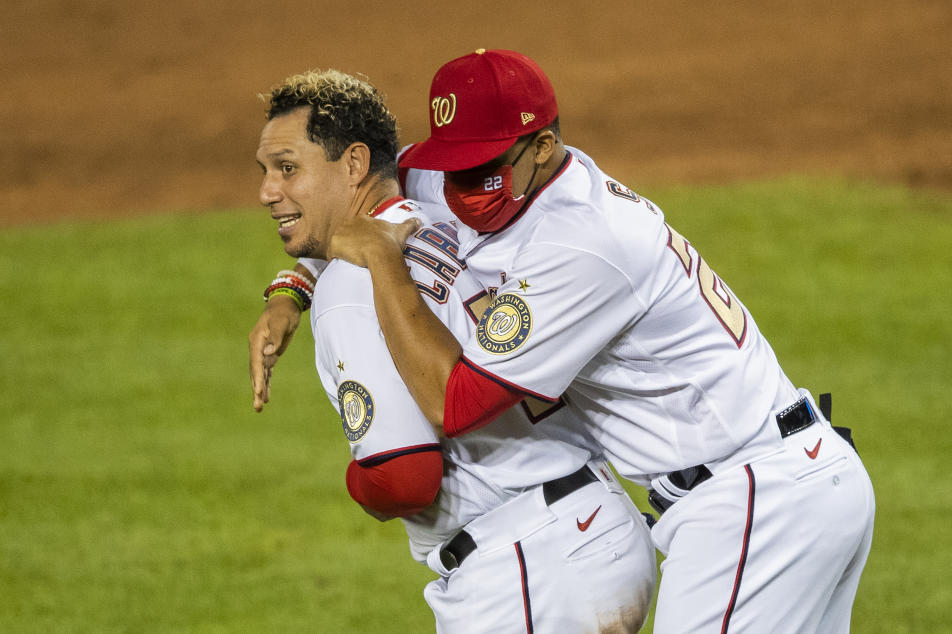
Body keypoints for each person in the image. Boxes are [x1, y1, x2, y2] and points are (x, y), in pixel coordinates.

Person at [318, 50, 876, 633]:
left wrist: (384, 263)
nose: (461, 187)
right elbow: (356, 199)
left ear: (542, 146)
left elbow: (453, 403)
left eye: (482, 166)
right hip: (794, 478)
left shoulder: (582, 241)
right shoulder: (491, 176)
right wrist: (294, 289)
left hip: (756, 503)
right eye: (451, 165)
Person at [250, 68, 656, 633]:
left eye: (288, 169)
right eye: (267, 171)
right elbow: (356, 228)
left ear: (354, 164)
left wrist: (357, 479)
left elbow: (404, 479)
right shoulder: (447, 210)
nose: (268, 191)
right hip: (601, 526)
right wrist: (289, 290)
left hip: (524, 570)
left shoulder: (349, 289)